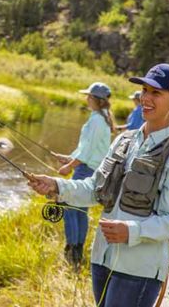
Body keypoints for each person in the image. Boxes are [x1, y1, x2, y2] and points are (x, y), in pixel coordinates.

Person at [28, 63, 169, 307]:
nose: (146, 98)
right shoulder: (124, 140)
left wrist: (131, 231)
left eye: (156, 93)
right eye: (144, 90)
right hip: (102, 259)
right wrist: (56, 186)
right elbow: (94, 189)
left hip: (138, 271)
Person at [51, 82, 114, 268]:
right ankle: (76, 253)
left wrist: (69, 166)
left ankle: (72, 250)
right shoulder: (101, 118)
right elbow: (86, 148)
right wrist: (68, 157)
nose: (86, 98)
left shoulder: (96, 120)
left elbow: (87, 153)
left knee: (69, 207)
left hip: (86, 170)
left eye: (89, 96)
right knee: (80, 210)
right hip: (90, 168)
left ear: (95, 99)